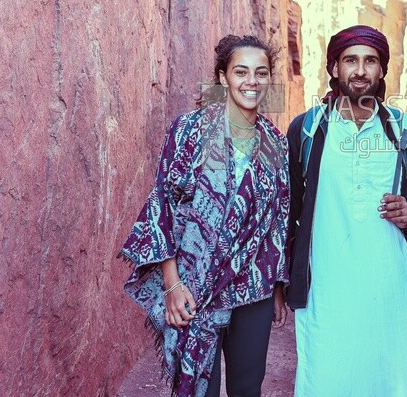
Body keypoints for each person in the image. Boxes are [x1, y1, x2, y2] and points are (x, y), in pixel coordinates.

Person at [119, 35, 290, 397]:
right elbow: (162, 204)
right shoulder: (189, 131)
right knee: (199, 388)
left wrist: (276, 287)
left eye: (261, 73)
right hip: (194, 284)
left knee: (247, 387)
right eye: (241, 71)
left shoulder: (276, 143)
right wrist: (172, 283)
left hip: (253, 285)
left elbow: (278, 219)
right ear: (223, 76)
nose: (251, 82)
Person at [285, 24, 407, 396]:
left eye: (370, 61)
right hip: (326, 291)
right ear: (334, 69)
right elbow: (289, 206)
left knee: (389, 380)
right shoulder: (306, 130)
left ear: (382, 70)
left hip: (391, 289)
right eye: (350, 61)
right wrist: (284, 279)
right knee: (325, 381)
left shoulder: (406, 130)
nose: (360, 70)